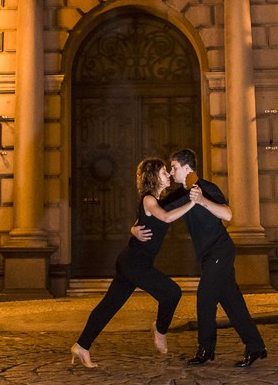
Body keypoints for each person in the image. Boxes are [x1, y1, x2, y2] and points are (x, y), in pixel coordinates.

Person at [132, 148, 267, 367]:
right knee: (233, 302)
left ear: (186, 168)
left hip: (220, 251)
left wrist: (202, 200)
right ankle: (256, 346)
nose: (171, 171)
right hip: (208, 255)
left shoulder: (206, 187)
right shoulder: (180, 194)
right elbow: (154, 213)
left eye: (174, 167)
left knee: (204, 297)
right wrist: (133, 229)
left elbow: (228, 214)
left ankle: (206, 349)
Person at [70, 157, 199, 368]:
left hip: (132, 261)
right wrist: (194, 202)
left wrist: (132, 229)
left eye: (168, 170)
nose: (167, 174)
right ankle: (160, 329)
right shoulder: (149, 200)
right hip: (134, 263)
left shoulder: (156, 201)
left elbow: (165, 206)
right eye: (163, 171)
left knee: (108, 306)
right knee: (172, 292)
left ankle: (81, 346)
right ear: (153, 177)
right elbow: (166, 218)